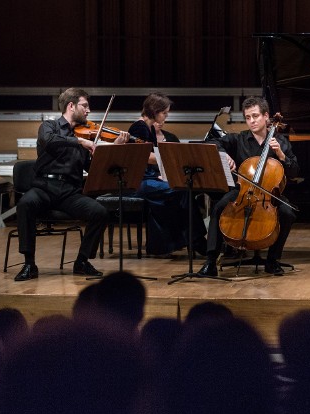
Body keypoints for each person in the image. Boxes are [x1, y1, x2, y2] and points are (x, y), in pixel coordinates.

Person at [13, 87, 129, 281]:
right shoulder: (49, 126)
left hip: (69, 192)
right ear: (71, 105)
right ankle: (29, 264)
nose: (88, 110)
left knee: (99, 212)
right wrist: (79, 142)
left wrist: (113, 150)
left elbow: (92, 169)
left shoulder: (87, 135)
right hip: (44, 188)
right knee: (25, 204)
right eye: (85, 106)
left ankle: (82, 261)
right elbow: (48, 141)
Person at [198, 96, 300, 277]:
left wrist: (281, 155)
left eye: (255, 116)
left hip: (269, 195)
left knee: (287, 213)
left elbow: (294, 172)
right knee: (219, 207)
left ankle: (272, 260)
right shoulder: (239, 139)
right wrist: (224, 154)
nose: (251, 121)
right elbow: (211, 142)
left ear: (266, 116)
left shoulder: (281, 142)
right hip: (242, 192)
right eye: (248, 117)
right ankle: (210, 261)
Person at [128, 92, 207, 257]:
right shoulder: (139, 127)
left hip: (149, 179)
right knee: (183, 190)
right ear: (155, 111)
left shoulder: (147, 127)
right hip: (140, 182)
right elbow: (144, 157)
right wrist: (173, 158)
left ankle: (190, 240)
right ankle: (197, 240)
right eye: (164, 113)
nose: (166, 117)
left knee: (184, 189)